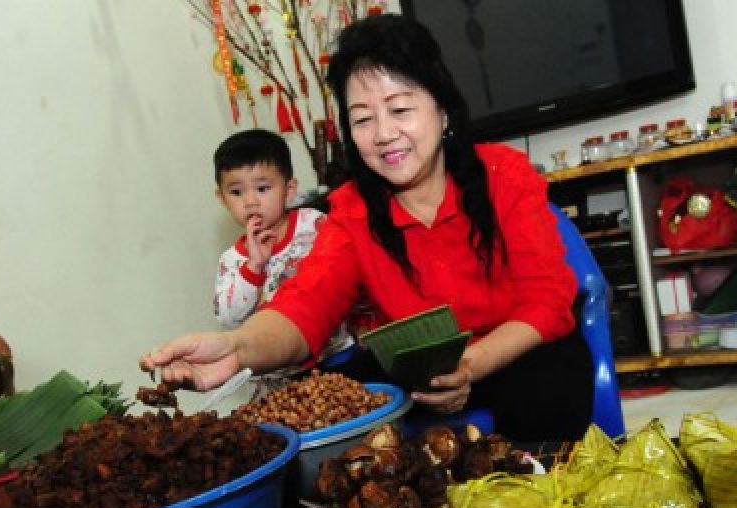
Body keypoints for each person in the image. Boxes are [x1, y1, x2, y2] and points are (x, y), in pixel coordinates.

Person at [143, 13, 592, 441]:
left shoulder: (504, 176)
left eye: (400, 109)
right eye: (362, 119)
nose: (383, 134)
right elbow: (304, 309)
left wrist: (470, 366)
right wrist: (236, 348)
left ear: (441, 108)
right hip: (418, 371)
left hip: (516, 355)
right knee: (325, 406)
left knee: (549, 384)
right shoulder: (352, 212)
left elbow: (548, 301)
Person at [210, 129, 352, 396]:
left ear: (289, 190)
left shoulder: (314, 224)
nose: (251, 202)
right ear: (222, 199)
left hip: (337, 358)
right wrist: (253, 268)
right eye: (236, 192)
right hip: (277, 380)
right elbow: (229, 318)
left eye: (263, 189)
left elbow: (349, 272)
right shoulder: (232, 261)